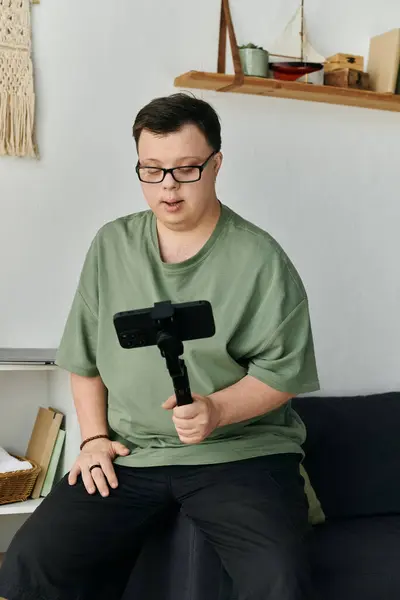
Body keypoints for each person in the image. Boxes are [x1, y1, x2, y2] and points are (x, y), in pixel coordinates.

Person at [0, 93, 320, 600]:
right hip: (130, 455)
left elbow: (283, 375)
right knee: (30, 563)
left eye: (186, 169)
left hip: (236, 454)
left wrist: (216, 409)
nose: (168, 187)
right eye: (152, 170)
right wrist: (93, 440)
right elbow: (85, 359)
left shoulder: (260, 258)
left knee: (280, 580)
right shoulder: (111, 245)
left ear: (216, 164)